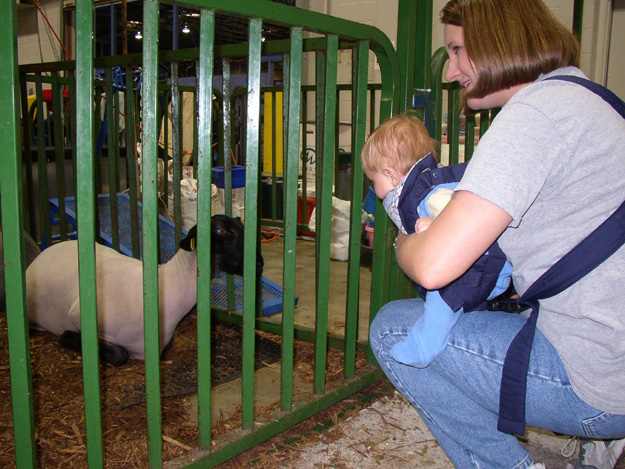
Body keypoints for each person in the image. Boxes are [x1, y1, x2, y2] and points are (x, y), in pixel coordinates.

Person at [368, 1, 625, 468]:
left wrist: (403, 239)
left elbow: (432, 265)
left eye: (457, 49)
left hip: (603, 381)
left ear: (498, 40)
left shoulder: (533, 117)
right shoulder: (590, 98)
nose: (450, 72)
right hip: (615, 346)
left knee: (392, 329)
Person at [361, 113, 512, 367]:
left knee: (440, 300)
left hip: (482, 267)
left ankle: (423, 347)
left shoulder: (430, 195)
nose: (374, 189)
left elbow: (464, 218)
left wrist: (436, 226)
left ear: (390, 174)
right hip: (481, 264)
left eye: (373, 180)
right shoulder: (421, 187)